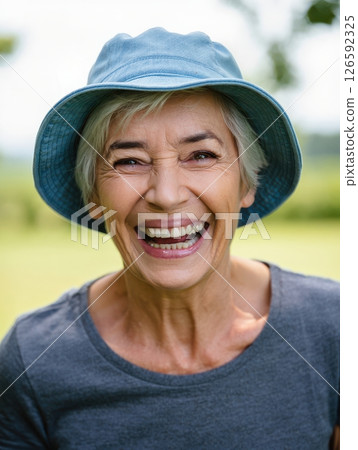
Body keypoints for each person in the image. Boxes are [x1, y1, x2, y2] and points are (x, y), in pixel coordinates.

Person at [0, 28, 339, 448]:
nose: (166, 194)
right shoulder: (33, 361)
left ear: (246, 181)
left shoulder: (337, 331)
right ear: (93, 196)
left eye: (201, 155)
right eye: (129, 161)